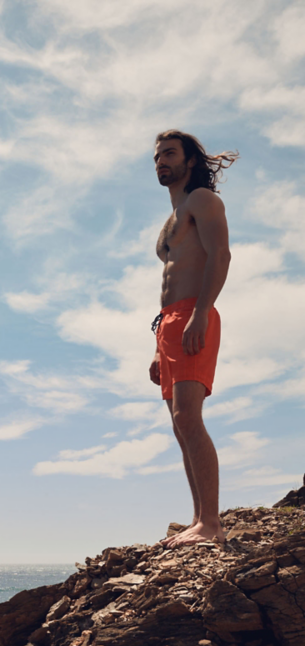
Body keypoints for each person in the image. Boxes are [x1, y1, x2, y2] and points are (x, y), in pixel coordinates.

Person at [149, 130, 238, 546]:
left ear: (190, 160)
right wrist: (156, 345)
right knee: (178, 424)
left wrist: (201, 312)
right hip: (168, 322)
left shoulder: (202, 200)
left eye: (169, 153)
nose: (160, 161)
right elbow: (168, 279)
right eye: (157, 156)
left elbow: (220, 255)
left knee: (189, 417)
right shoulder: (172, 215)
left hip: (193, 313)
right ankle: (199, 518)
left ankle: (212, 524)